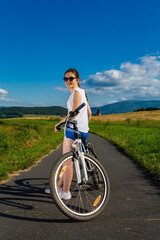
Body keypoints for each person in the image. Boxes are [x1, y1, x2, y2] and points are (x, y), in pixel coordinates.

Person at [45, 68, 92, 199]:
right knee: (68, 161)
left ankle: (65, 192)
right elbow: (89, 113)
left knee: (67, 163)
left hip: (72, 131)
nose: (68, 81)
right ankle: (58, 187)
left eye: (71, 78)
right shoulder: (82, 92)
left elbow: (74, 112)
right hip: (82, 131)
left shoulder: (76, 92)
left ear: (77, 79)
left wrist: (59, 123)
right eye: (65, 79)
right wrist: (85, 125)